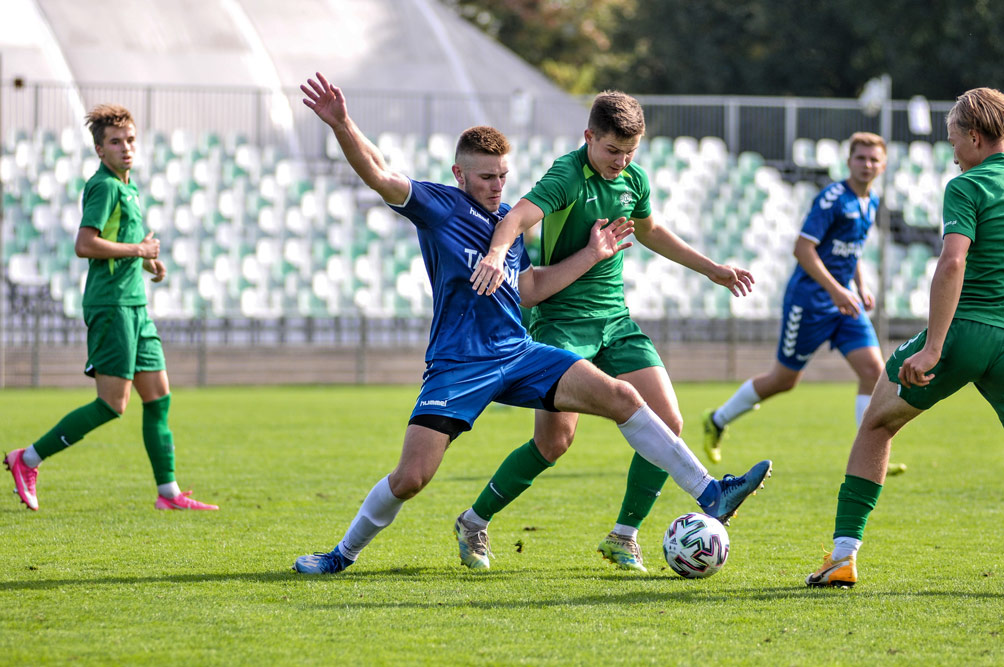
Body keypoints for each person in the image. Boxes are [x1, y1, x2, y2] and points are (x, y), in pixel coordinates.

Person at [292, 73, 771, 575]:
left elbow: (530, 290)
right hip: (459, 365)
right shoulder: (440, 207)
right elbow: (379, 173)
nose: (496, 186)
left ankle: (709, 493)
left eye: (502, 176)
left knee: (624, 397)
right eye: (485, 177)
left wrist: (591, 254)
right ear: (459, 174)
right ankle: (341, 555)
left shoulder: (511, 224)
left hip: (519, 353)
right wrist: (342, 123)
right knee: (411, 478)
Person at [462, 90, 768, 573]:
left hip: (616, 321)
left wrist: (711, 268)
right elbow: (517, 218)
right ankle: (473, 521)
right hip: (561, 324)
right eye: (612, 150)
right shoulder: (567, 175)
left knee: (667, 420)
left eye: (630, 152)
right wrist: (498, 254)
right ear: (589, 137)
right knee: (553, 443)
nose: (621, 161)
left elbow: (650, 231)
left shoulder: (633, 179)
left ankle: (624, 536)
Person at [806, 87, 1004, 588]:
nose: (952, 152)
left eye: (954, 140)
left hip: (966, 331)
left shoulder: (967, 185)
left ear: (975, 137)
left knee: (876, 424)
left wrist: (934, 346)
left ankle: (843, 556)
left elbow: (953, 262)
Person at [3, 105, 217, 512]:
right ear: (100, 150)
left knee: (158, 397)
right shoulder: (104, 187)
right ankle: (26, 459)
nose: (126, 147)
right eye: (116, 142)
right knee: (112, 405)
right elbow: (85, 244)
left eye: (130, 140)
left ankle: (168, 493)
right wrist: (139, 250)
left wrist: (147, 262)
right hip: (112, 305)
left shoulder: (128, 188)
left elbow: (122, 244)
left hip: (135, 305)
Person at [702, 132, 904, 473]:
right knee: (784, 380)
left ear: (883, 166)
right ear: (848, 162)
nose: (867, 164)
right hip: (809, 302)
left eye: (874, 159)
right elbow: (803, 249)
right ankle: (717, 420)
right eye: (860, 158)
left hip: (844, 302)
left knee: (874, 372)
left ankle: (868, 455)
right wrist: (837, 290)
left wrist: (860, 284)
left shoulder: (871, 201)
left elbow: (849, 249)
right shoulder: (832, 199)